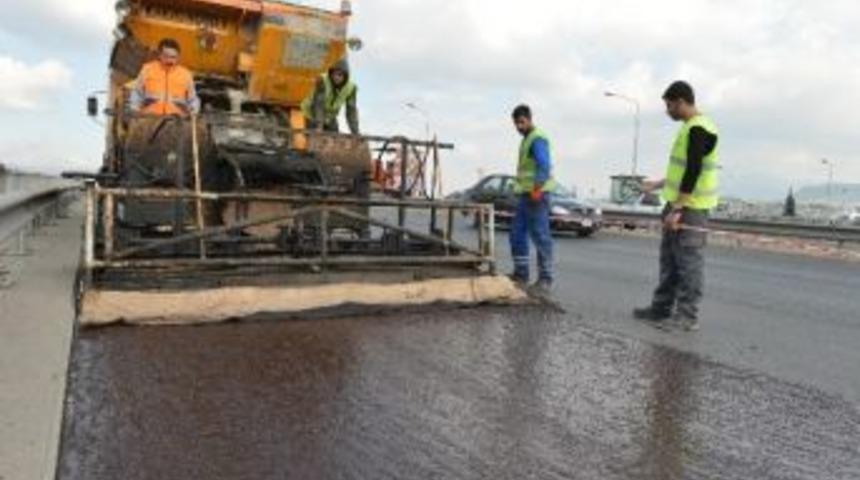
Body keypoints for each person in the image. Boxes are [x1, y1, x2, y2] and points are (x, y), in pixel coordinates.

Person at [634, 81, 720, 332]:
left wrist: (679, 209)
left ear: (681, 101)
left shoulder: (700, 129)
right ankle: (661, 309)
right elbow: (682, 171)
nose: (667, 110)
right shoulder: (689, 128)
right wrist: (657, 185)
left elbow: (694, 170)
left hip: (690, 209)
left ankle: (686, 317)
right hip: (677, 204)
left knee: (688, 263)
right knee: (669, 260)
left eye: (669, 105)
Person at [509, 104, 557, 293]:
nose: (519, 127)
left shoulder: (537, 138)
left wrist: (537, 188)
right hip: (525, 195)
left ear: (529, 119)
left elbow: (544, 165)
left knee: (540, 236)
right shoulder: (527, 139)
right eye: (516, 123)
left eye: (521, 122)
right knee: (517, 234)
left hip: (537, 195)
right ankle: (521, 273)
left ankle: (545, 278)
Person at [129, 38, 200, 116]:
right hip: (150, 119)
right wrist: (134, 109)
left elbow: (192, 99)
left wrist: (193, 111)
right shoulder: (147, 69)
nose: (170, 61)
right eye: (166, 56)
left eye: (173, 57)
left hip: (176, 121)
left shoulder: (186, 75)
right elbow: (137, 93)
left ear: (178, 57)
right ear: (159, 55)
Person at [301, 59, 360, 135]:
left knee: (334, 136)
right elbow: (318, 104)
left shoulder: (351, 88)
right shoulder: (323, 81)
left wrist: (355, 132)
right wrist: (319, 126)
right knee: (314, 136)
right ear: (331, 73)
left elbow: (351, 111)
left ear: (345, 76)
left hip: (330, 116)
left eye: (340, 75)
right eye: (334, 74)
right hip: (312, 113)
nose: (336, 77)